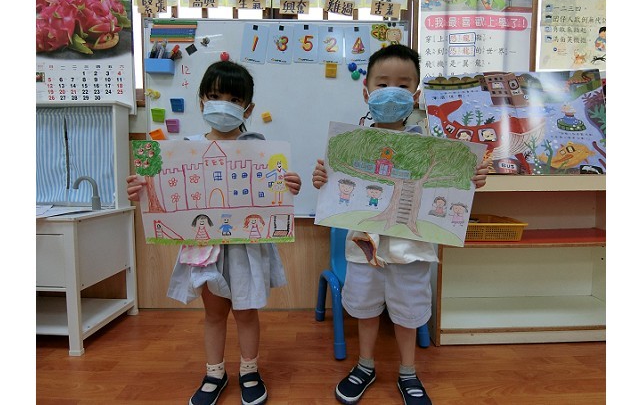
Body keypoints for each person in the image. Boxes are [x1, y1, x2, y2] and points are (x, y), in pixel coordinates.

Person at [312, 44, 489, 405]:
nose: (391, 92)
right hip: (363, 245)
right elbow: (337, 191)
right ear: (366, 93)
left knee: (409, 312)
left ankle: (408, 371)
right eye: (382, 84)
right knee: (364, 308)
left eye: (403, 85)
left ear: (416, 94)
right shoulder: (351, 144)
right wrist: (323, 179)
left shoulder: (433, 148)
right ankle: (365, 365)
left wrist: (472, 178)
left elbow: (451, 187)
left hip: (412, 249)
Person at [127, 60, 302, 405]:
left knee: (246, 312)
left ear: (248, 109)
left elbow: (275, 191)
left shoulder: (259, 148)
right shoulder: (184, 148)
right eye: (215, 96)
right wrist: (141, 190)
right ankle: (214, 373)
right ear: (202, 101)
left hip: (247, 246)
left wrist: (289, 185)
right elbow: (165, 190)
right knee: (214, 313)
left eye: (234, 100)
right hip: (205, 249)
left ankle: (249, 370)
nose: (224, 105)